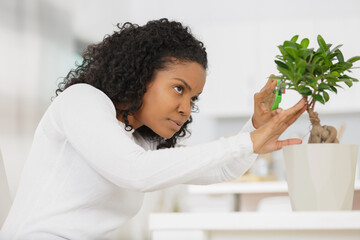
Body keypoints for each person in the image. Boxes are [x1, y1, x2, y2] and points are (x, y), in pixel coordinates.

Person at [0, 18, 307, 239]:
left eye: (193, 97)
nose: (186, 108)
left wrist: (254, 130)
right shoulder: (82, 101)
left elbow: (223, 171)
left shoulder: (138, 138)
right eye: (178, 89)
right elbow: (135, 172)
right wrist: (248, 142)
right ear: (142, 75)